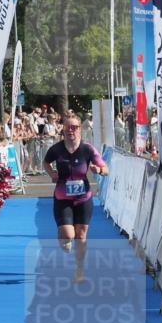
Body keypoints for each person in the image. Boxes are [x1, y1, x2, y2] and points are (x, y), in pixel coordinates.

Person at [42, 113, 108, 283]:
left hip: (83, 198)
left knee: (81, 235)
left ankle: (79, 269)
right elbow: (45, 162)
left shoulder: (88, 149)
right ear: (62, 129)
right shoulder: (56, 149)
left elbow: (105, 168)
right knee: (68, 235)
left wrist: (98, 170)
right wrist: (52, 173)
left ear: (80, 129)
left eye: (75, 127)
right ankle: (62, 234)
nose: (71, 130)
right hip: (63, 198)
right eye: (68, 127)